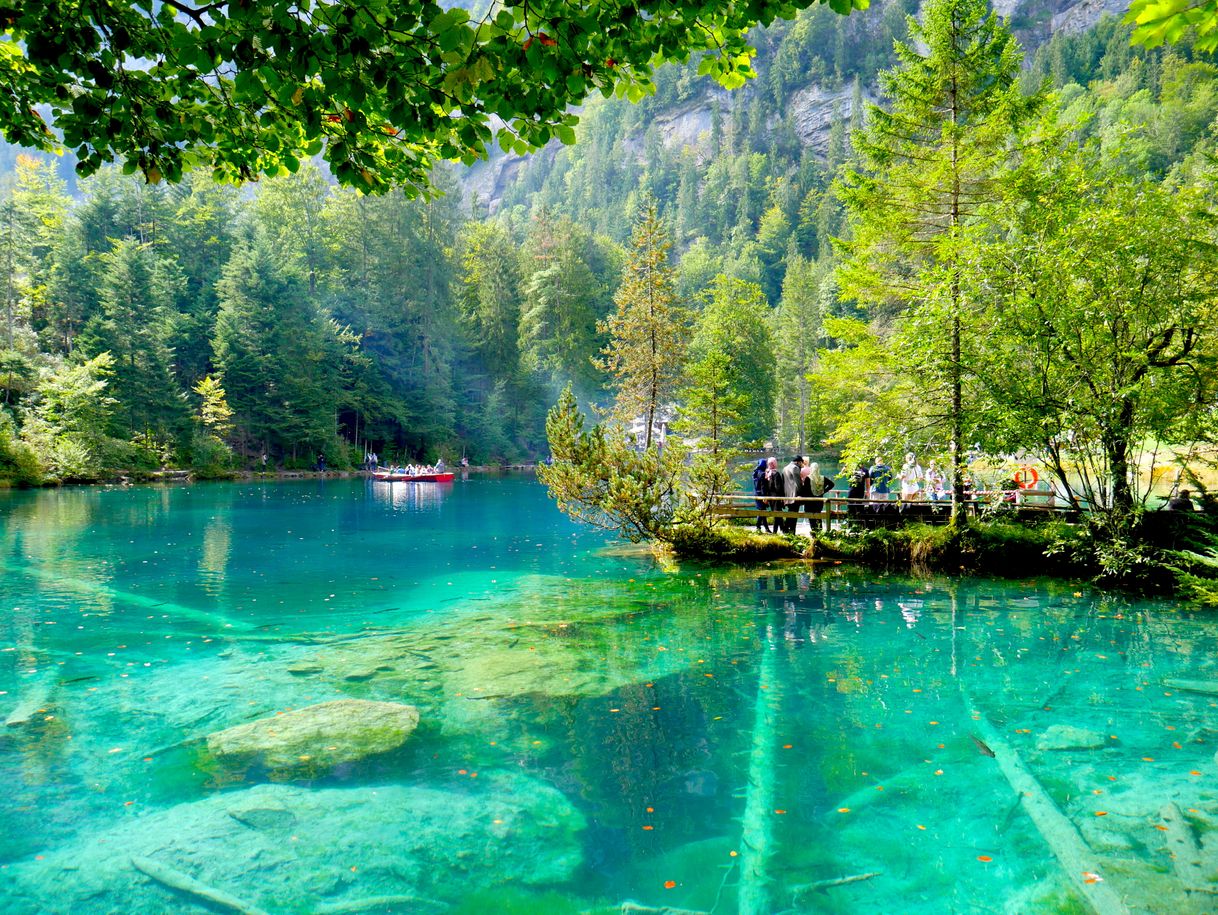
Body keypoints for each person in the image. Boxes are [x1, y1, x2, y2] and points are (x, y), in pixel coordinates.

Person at [781, 456, 804, 533]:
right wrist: (801, 494)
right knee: (794, 514)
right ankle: (792, 531)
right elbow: (798, 483)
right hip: (795, 495)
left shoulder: (785, 468)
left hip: (787, 495)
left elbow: (783, 483)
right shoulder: (795, 468)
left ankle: (786, 529)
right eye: (801, 463)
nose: (801, 465)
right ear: (798, 462)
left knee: (790, 512)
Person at [752, 458, 772, 533]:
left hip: (756, 493)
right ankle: (758, 526)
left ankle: (766, 528)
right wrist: (764, 497)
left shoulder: (755, 473)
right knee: (761, 511)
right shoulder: (762, 474)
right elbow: (763, 486)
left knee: (762, 511)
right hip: (761, 494)